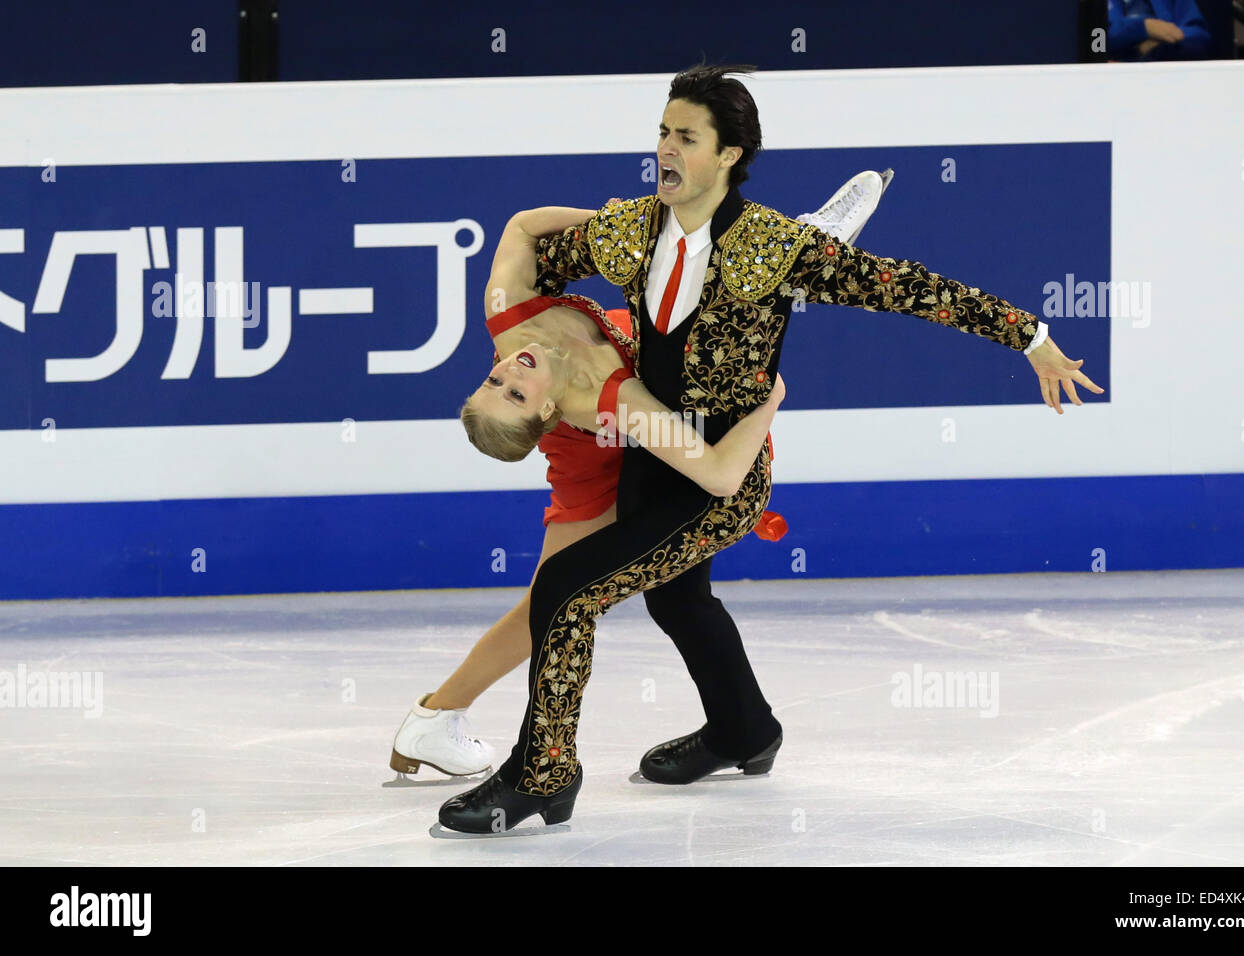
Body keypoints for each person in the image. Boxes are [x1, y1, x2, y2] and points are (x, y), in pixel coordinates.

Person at [435, 63, 1103, 834]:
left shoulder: (775, 249)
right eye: (662, 132)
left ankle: (545, 774)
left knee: (568, 587)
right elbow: (538, 258)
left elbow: (909, 287)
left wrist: (1033, 338)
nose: (667, 150)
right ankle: (744, 730)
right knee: (676, 596)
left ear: (729, 155)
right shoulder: (629, 231)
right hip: (654, 457)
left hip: (726, 475)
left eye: (687, 137)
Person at [391, 172, 891, 778]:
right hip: (611, 468)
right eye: (513, 392)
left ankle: (745, 730)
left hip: (668, 423)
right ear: (544, 413)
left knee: (678, 597)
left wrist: (630, 231)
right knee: (555, 603)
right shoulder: (607, 403)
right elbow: (717, 473)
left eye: (494, 380)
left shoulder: (509, 317)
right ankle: (441, 720)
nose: (506, 372)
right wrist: (766, 405)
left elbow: (522, 223)